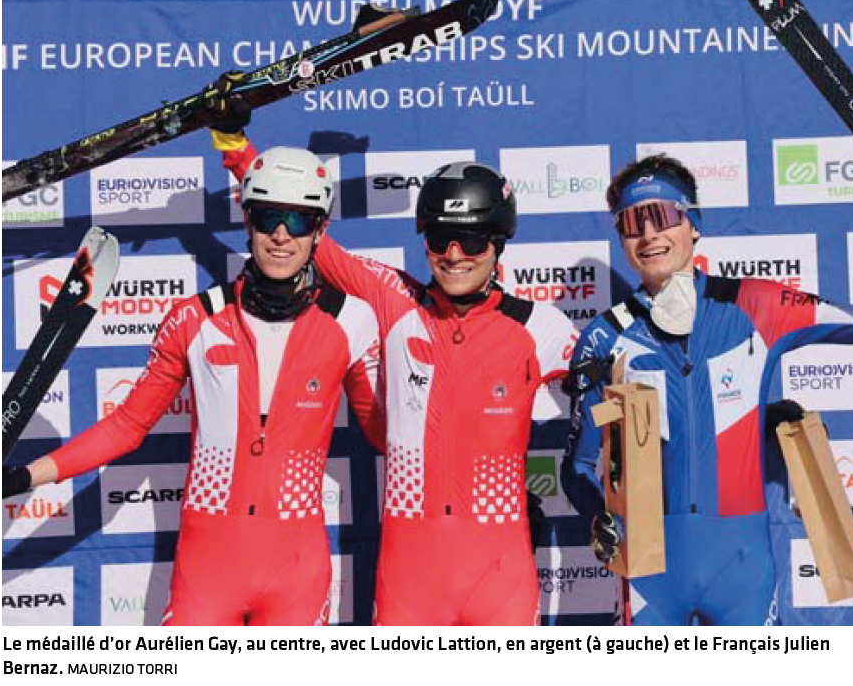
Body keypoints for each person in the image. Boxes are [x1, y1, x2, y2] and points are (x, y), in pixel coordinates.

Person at [209, 109, 579, 626]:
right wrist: (232, 144)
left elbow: (621, 393)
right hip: (411, 577)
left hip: (501, 571)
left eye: (472, 241)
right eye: (439, 239)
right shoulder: (396, 301)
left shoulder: (541, 326)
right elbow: (313, 237)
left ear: (498, 246)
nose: (454, 255)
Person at [3, 146, 383, 626]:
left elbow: (385, 431)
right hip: (209, 567)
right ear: (247, 222)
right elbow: (126, 426)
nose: (281, 235)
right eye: (268, 218)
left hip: (296, 569)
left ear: (320, 232)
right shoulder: (194, 318)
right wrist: (23, 478)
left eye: (299, 221)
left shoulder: (352, 320)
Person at [559, 154, 853, 625]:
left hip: (742, 570)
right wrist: (596, 516)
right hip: (650, 573)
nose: (648, 235)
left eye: (663, 216)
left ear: (694, 223)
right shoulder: (605, 337)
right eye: (631, 223)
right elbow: (579, 466)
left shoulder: (758, 304)